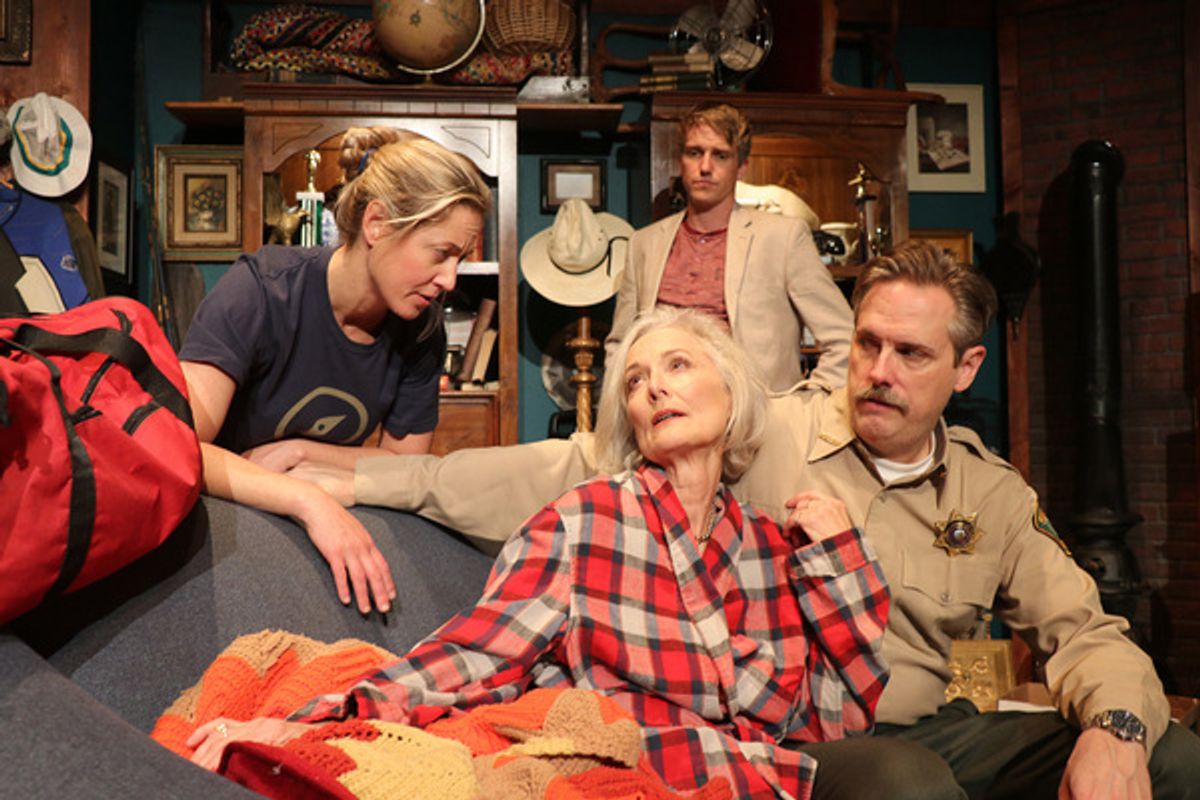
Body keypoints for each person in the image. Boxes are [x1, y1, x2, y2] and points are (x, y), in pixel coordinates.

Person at [293, 241, 1200, 798]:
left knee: (1176, 761)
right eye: (868, 342)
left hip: (929, 721)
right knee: (899, 781)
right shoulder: (764, 427)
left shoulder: (992, 494)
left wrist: (1116, 733)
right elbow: (568, 470)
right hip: (824, 745)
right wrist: (355, 476)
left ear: (964, 371)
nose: (877, 369)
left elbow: (1088, 634)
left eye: (910, 354)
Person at [187, 308, 891, 799]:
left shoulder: (772, 546)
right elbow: (477, 654)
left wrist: (840, 564)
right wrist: (314, 720)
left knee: (904, 775)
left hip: (765, 781)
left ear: (732, 391)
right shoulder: (585, 521)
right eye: (638, 381)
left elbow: (833, 722)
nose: (655, 388)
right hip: (633, 777)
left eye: (678, 365)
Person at [179, 127, 490, 616]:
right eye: (440, 253)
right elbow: (175, 447)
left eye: (459, 259)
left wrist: (301, 452)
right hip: (219, 533)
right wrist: (306, 499)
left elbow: (406, 470)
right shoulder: (260, 291)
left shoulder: (421, 331)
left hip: (316, 536)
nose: (450, 280)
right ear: (378, 223)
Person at [606, 101, 853, 392]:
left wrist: (802, 408)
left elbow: (845, 338)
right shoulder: (644, 244)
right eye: (694, 152)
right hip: (662, 417)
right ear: (680, 161)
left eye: (720, 155)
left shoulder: (782, 237)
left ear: (741, 168)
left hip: (752, 423)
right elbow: (620, 346)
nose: (705, 167)